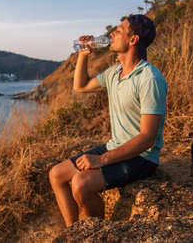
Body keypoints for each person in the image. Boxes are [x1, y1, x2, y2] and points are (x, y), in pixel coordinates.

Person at [49, 14, 167, 227]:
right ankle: (73, 233)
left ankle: (97, 233)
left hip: (142, 157)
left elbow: (148, 138)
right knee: (57, 175)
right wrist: (84, 54)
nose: (112, 33)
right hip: (116, 147)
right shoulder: (115, 73)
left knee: (81, 184)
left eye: (119, 31)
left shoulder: (149, 78)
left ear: (133, 40)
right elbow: (80, 86)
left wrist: (102, 160)